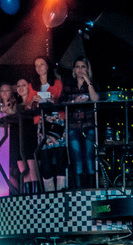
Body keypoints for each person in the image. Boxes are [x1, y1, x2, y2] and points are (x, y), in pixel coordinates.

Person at [59, 56, 99, 188]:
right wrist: (73, 102)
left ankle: (92, 188)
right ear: (74, 70)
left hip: (89, 125)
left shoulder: (92, 83)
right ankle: (79, 189)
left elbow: (96, 99)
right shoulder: (69, 84)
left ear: (87, 69)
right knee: (77, 157)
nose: (80, 69)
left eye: (83, 67)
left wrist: (88, 82)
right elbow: (60, 103)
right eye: (77, 67)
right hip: (73, 126)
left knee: (89, 156)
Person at [31, 56, 67, 192]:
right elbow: (29, 105)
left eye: (41, 64)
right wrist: (33, 101)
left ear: (47, 66)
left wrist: (52, 100)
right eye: (36, 65)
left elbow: (62, 100)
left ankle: (62, 190)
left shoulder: (57, 83)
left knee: (60, 155)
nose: (39, 67)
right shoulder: (32, 85)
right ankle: (49, 192)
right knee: (45, 157)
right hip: (42, 122)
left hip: (57, 120)